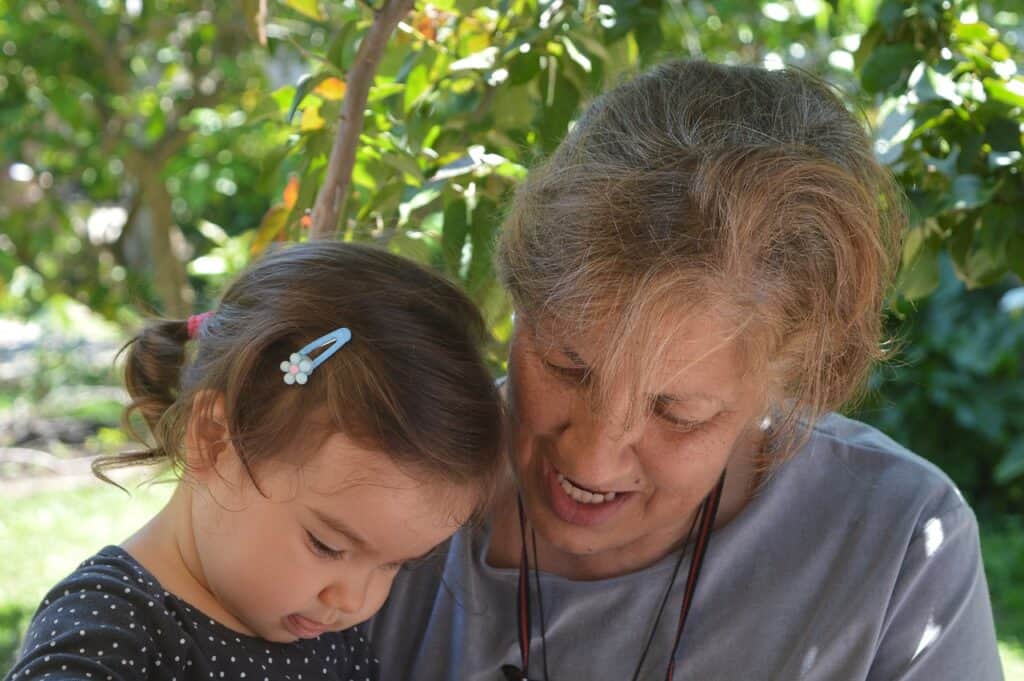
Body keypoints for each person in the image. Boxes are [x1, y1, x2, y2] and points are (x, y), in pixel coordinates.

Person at [368, 60, 1004, 680]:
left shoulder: (899, 547)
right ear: (520, 300)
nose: (592, 461)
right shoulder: (373, 469)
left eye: (677, 412)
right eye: (568, 368)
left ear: (787, 382)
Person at [4, 242, 504, 681]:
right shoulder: (109, 627)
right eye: (327, 546)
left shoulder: (324, 636)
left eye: (395, 564)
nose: (354, 601)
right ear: (215, 439)